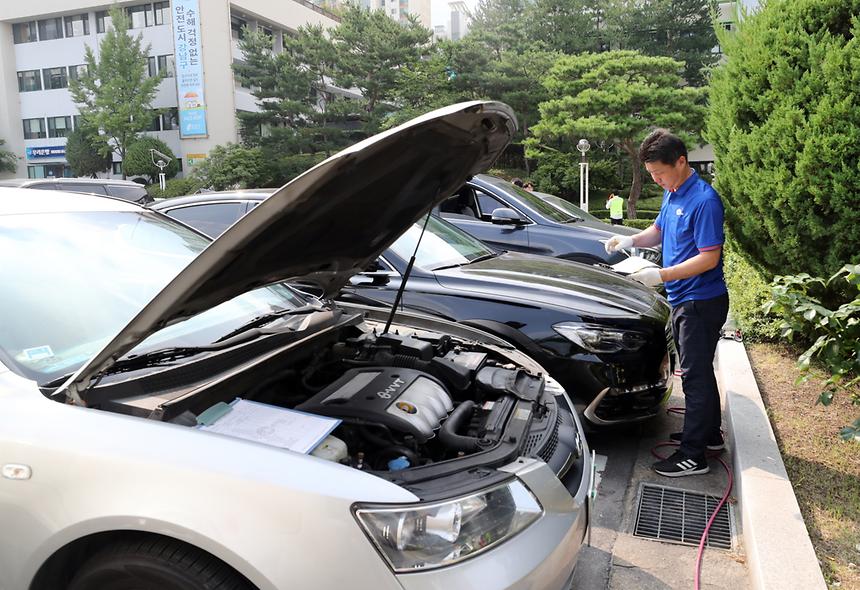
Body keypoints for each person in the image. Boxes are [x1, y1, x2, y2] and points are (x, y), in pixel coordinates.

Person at [605, 129, 728, 478]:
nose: (657, 180)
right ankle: (709, 436)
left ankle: (693, 455)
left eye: (660, 173)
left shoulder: (703, 200)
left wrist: (661, 276)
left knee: (694, 377)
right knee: (700, 372)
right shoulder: (673, 193)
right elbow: (657, 231)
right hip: (683, 299)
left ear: (681, 162)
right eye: (652, 175)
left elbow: (708, 257)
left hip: (699, 302)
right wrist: (628, 240)